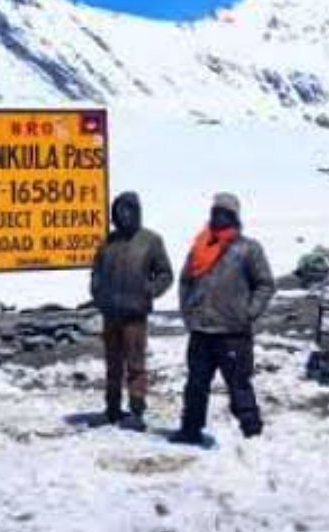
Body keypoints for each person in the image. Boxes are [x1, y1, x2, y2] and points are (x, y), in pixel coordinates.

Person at [171, 192, 274, 445]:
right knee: (195, 386)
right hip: (201, 331)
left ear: (234, 217)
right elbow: (185, 282)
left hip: (233, 333)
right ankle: (190, 430)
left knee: (239, 386)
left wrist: (248, 313)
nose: (218, 216)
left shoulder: (248, 248)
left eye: (225, 213)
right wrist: (188, 312)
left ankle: (252, 434)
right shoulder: (200, 246)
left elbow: (265, 284)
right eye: (216, 211)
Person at [89, 191, 174, 430]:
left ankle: (137, 410)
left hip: (136, 314)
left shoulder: (151, 241)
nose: (123, 214)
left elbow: (166, 274)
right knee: (112, 364)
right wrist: (97, 290)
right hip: (110, 312)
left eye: (128, 210)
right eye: (119, 210)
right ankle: (112, 408)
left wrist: (150, 290)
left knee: (135, 364)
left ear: (136, 212)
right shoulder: (109, 241)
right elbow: (96, 269)